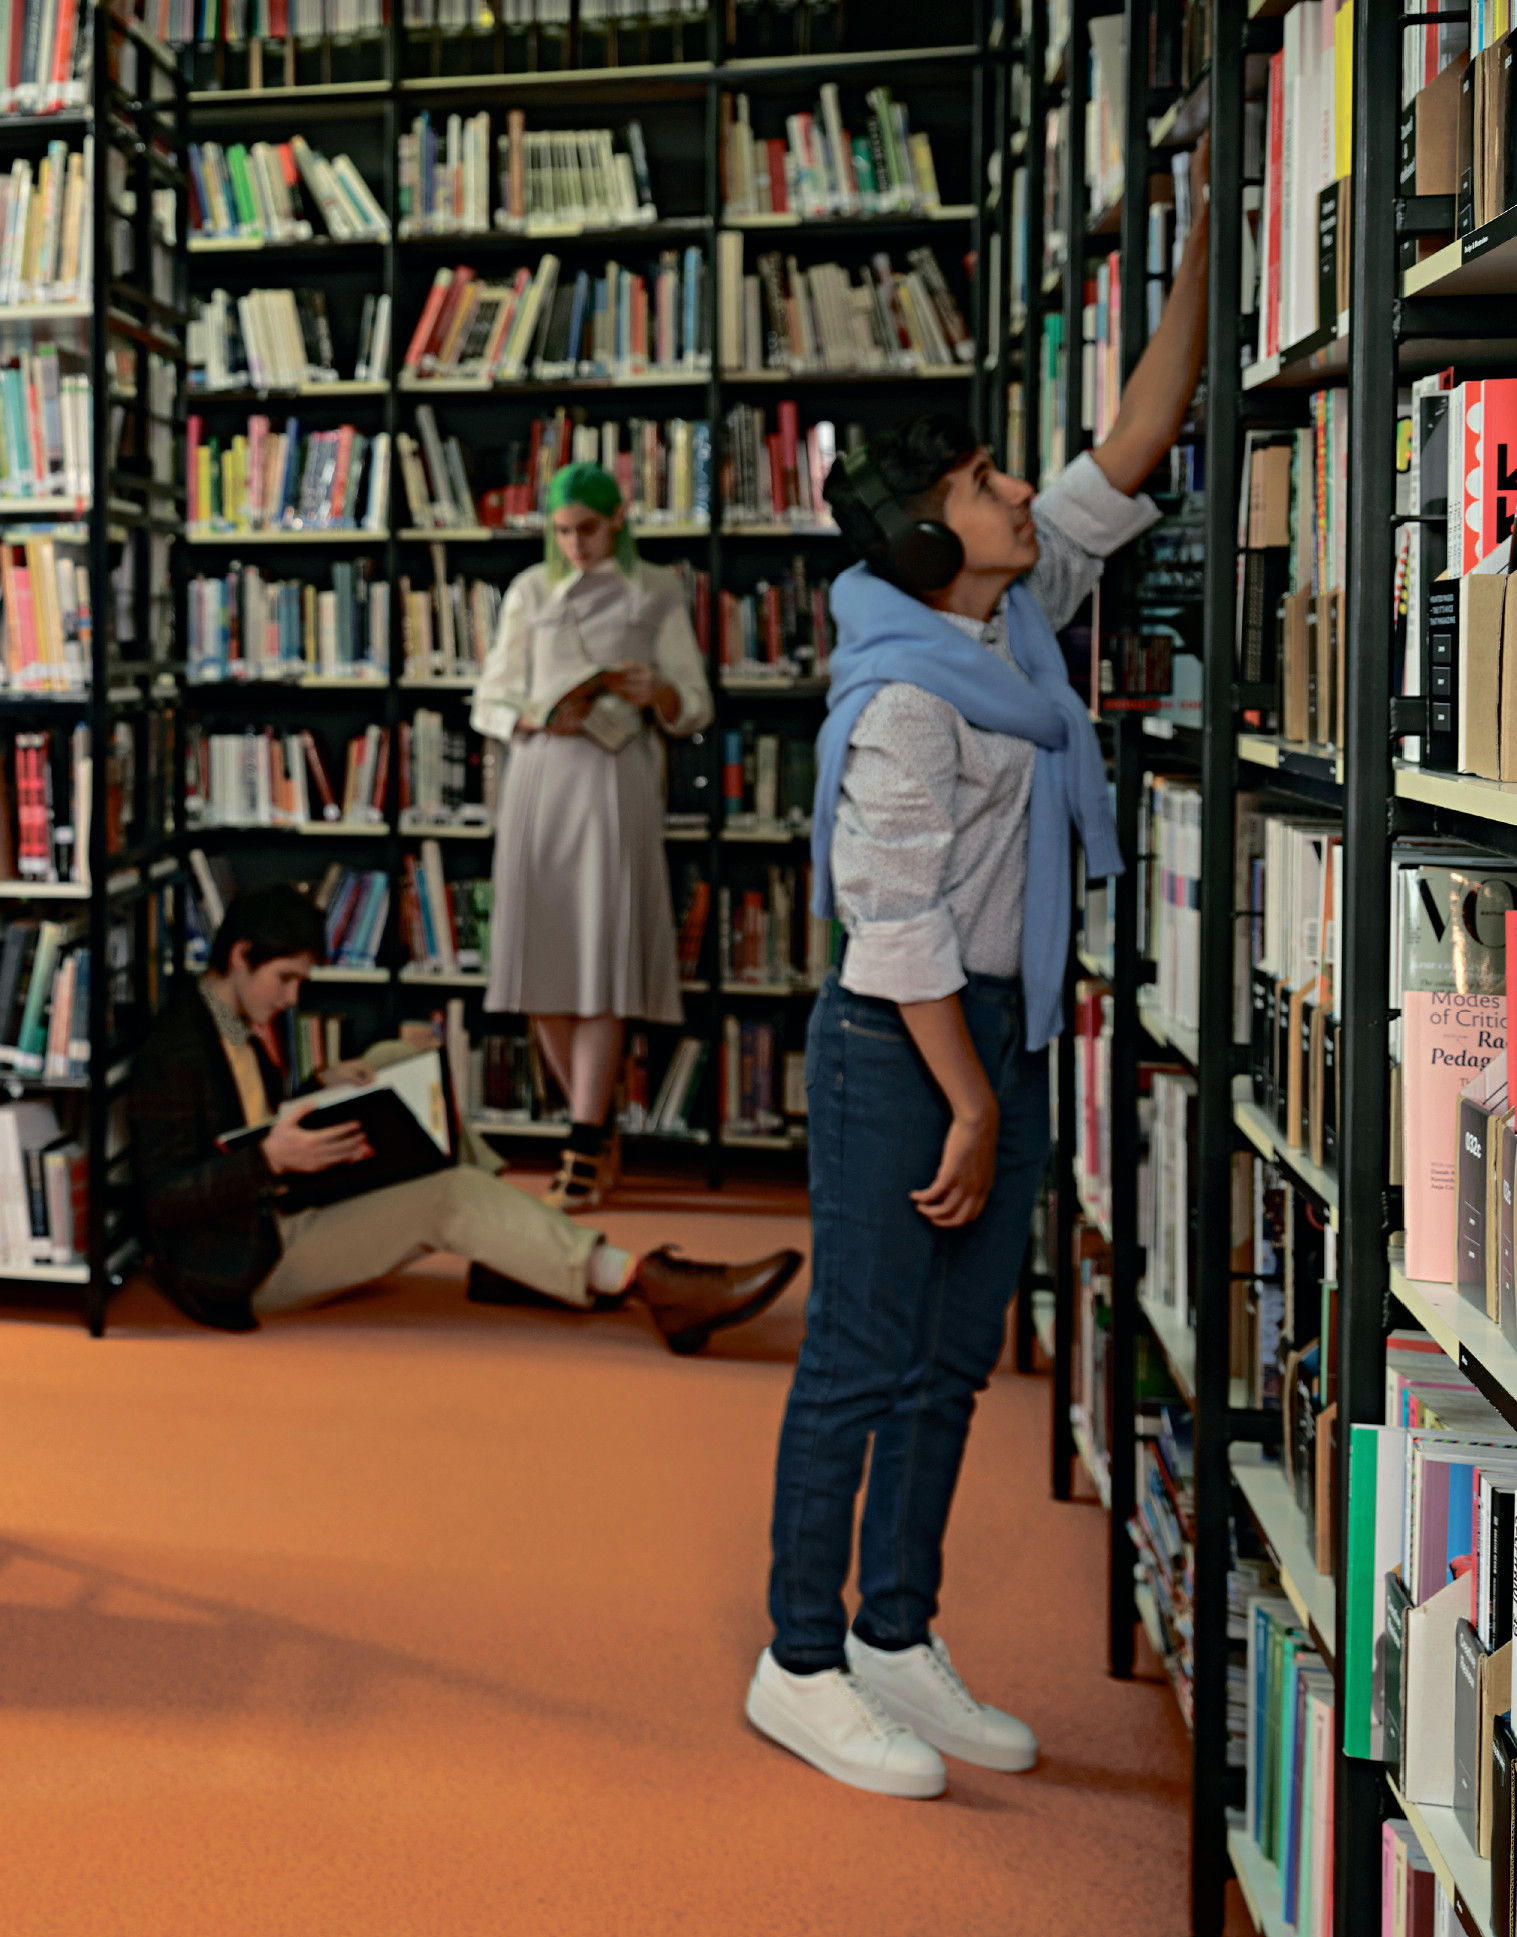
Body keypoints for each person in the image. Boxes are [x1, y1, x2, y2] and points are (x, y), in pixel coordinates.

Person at [744, 141, 1212, 1798]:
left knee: (950, 1361)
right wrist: (967, 1102)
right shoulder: (905, 697)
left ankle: (894, 1632)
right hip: (904, 1047)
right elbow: (896, 933)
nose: (1019, 490)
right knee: (859, 1355)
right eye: (983, 482)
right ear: (931, 544)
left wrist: (1210, 249)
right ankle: (798, 1660)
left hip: (991, 1035)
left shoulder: (1011, 621)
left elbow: (1130, 443)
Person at [129, 885, 800, 1349]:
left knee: (393, 1060)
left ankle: (509, 1247)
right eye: (286, 979)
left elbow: (247, 1113)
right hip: (253, 1258)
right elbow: (162, 1198)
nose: (293, 999)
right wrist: (270, 1159)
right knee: (445, 1196)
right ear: (240, 956)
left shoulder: (231, 1014)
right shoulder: (179, 1050)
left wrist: (317, 1086)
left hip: (276, 1199)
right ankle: (646, 1280)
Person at [471, 462, 712, 1213]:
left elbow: (694, 705)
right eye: (562, 531)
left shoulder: (657, 589)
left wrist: (658, 692)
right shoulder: (528, 591)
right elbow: (488, 697)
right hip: (541, 775)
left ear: (617, 521)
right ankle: (596, 1124)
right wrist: (530, 714)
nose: (574, 544)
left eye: (588, 529)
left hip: (614, 778)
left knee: (604, 962)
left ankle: (580, 1140)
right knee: (539, 965)